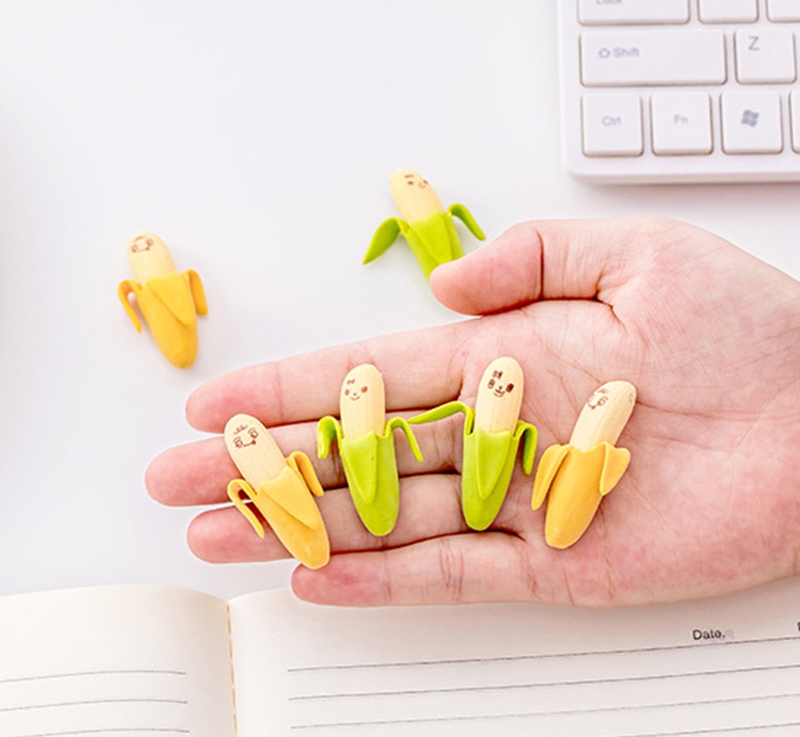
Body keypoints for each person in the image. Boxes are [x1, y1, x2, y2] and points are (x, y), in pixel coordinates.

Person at [145, 216, 800, 608]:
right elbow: (319, 463)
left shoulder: (580, 446)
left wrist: (551, 472)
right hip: (324, 478)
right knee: (364, 513)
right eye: (352, 401)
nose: (354, 401)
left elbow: (553, 463)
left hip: (543, 467)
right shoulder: (339, 437)